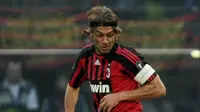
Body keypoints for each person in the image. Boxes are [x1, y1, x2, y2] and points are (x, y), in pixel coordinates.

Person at [64, 6, 166, 112]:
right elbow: (72, 87)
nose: (105, 41)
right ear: (91, 34)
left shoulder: (127, 57)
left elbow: (158, 88)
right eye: (100, 35)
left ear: (116, 35)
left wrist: (118, 96)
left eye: (110, 35)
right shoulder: (85, 57)